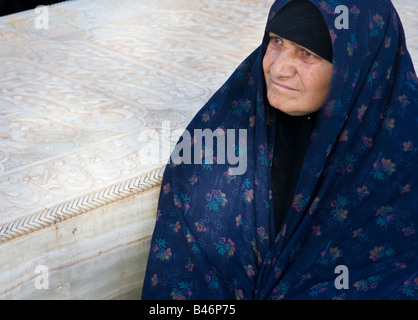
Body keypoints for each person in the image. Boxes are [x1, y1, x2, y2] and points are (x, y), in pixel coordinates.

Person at [141, 0, 417, 300]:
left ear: (357, 67)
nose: (278, 68)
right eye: (276, 41)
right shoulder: (219, 145)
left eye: (307, 53)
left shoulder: (401, 165)